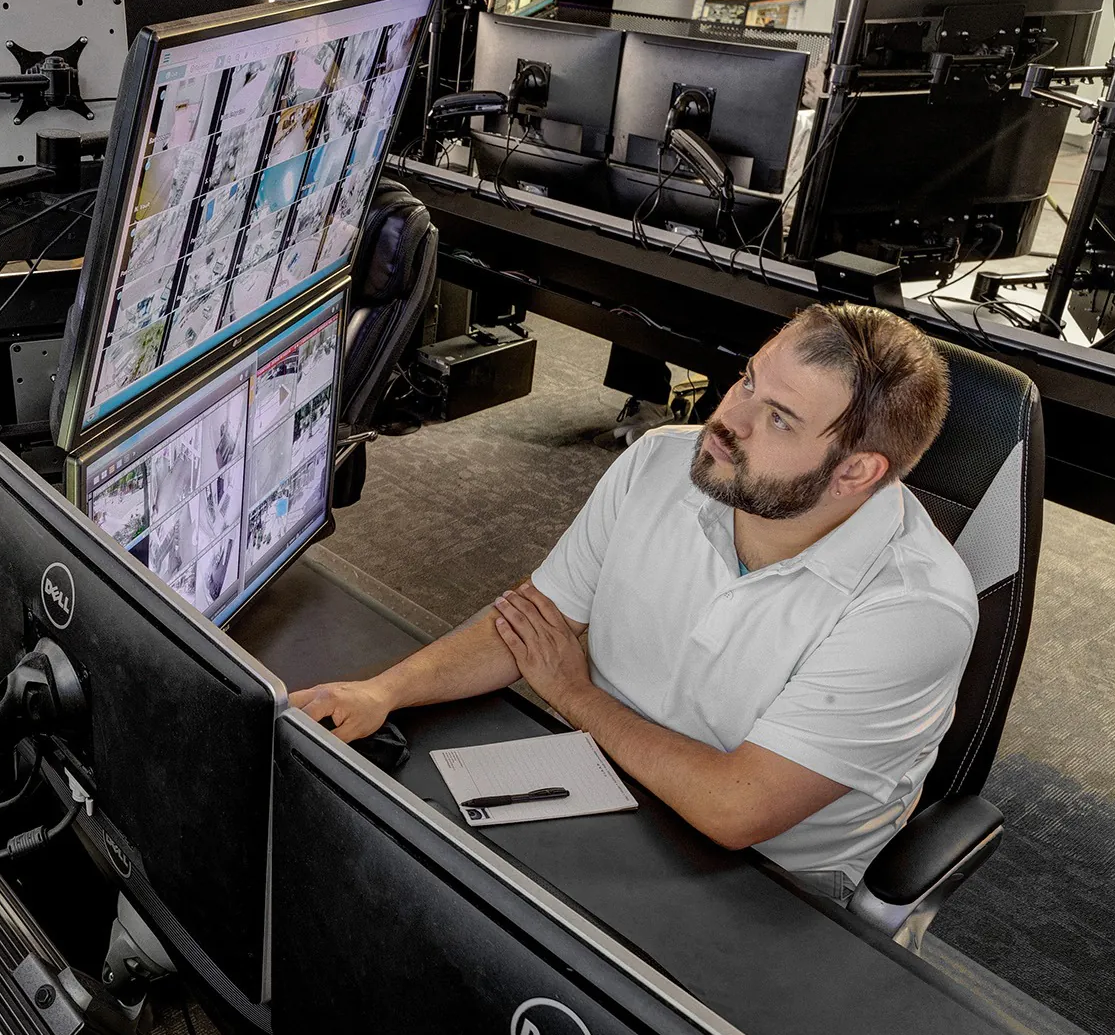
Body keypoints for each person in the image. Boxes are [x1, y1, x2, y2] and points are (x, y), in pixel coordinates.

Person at [290, 304, 977, 898]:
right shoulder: (663, 462)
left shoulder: (914, 610)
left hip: (769, 888)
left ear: (857, 471)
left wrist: (576, 695)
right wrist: (382, 692)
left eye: (777, 418)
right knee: (389, 866)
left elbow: (736, 810)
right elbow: (537, 623)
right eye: (746, 379)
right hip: (602, 781)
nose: (726, 419)